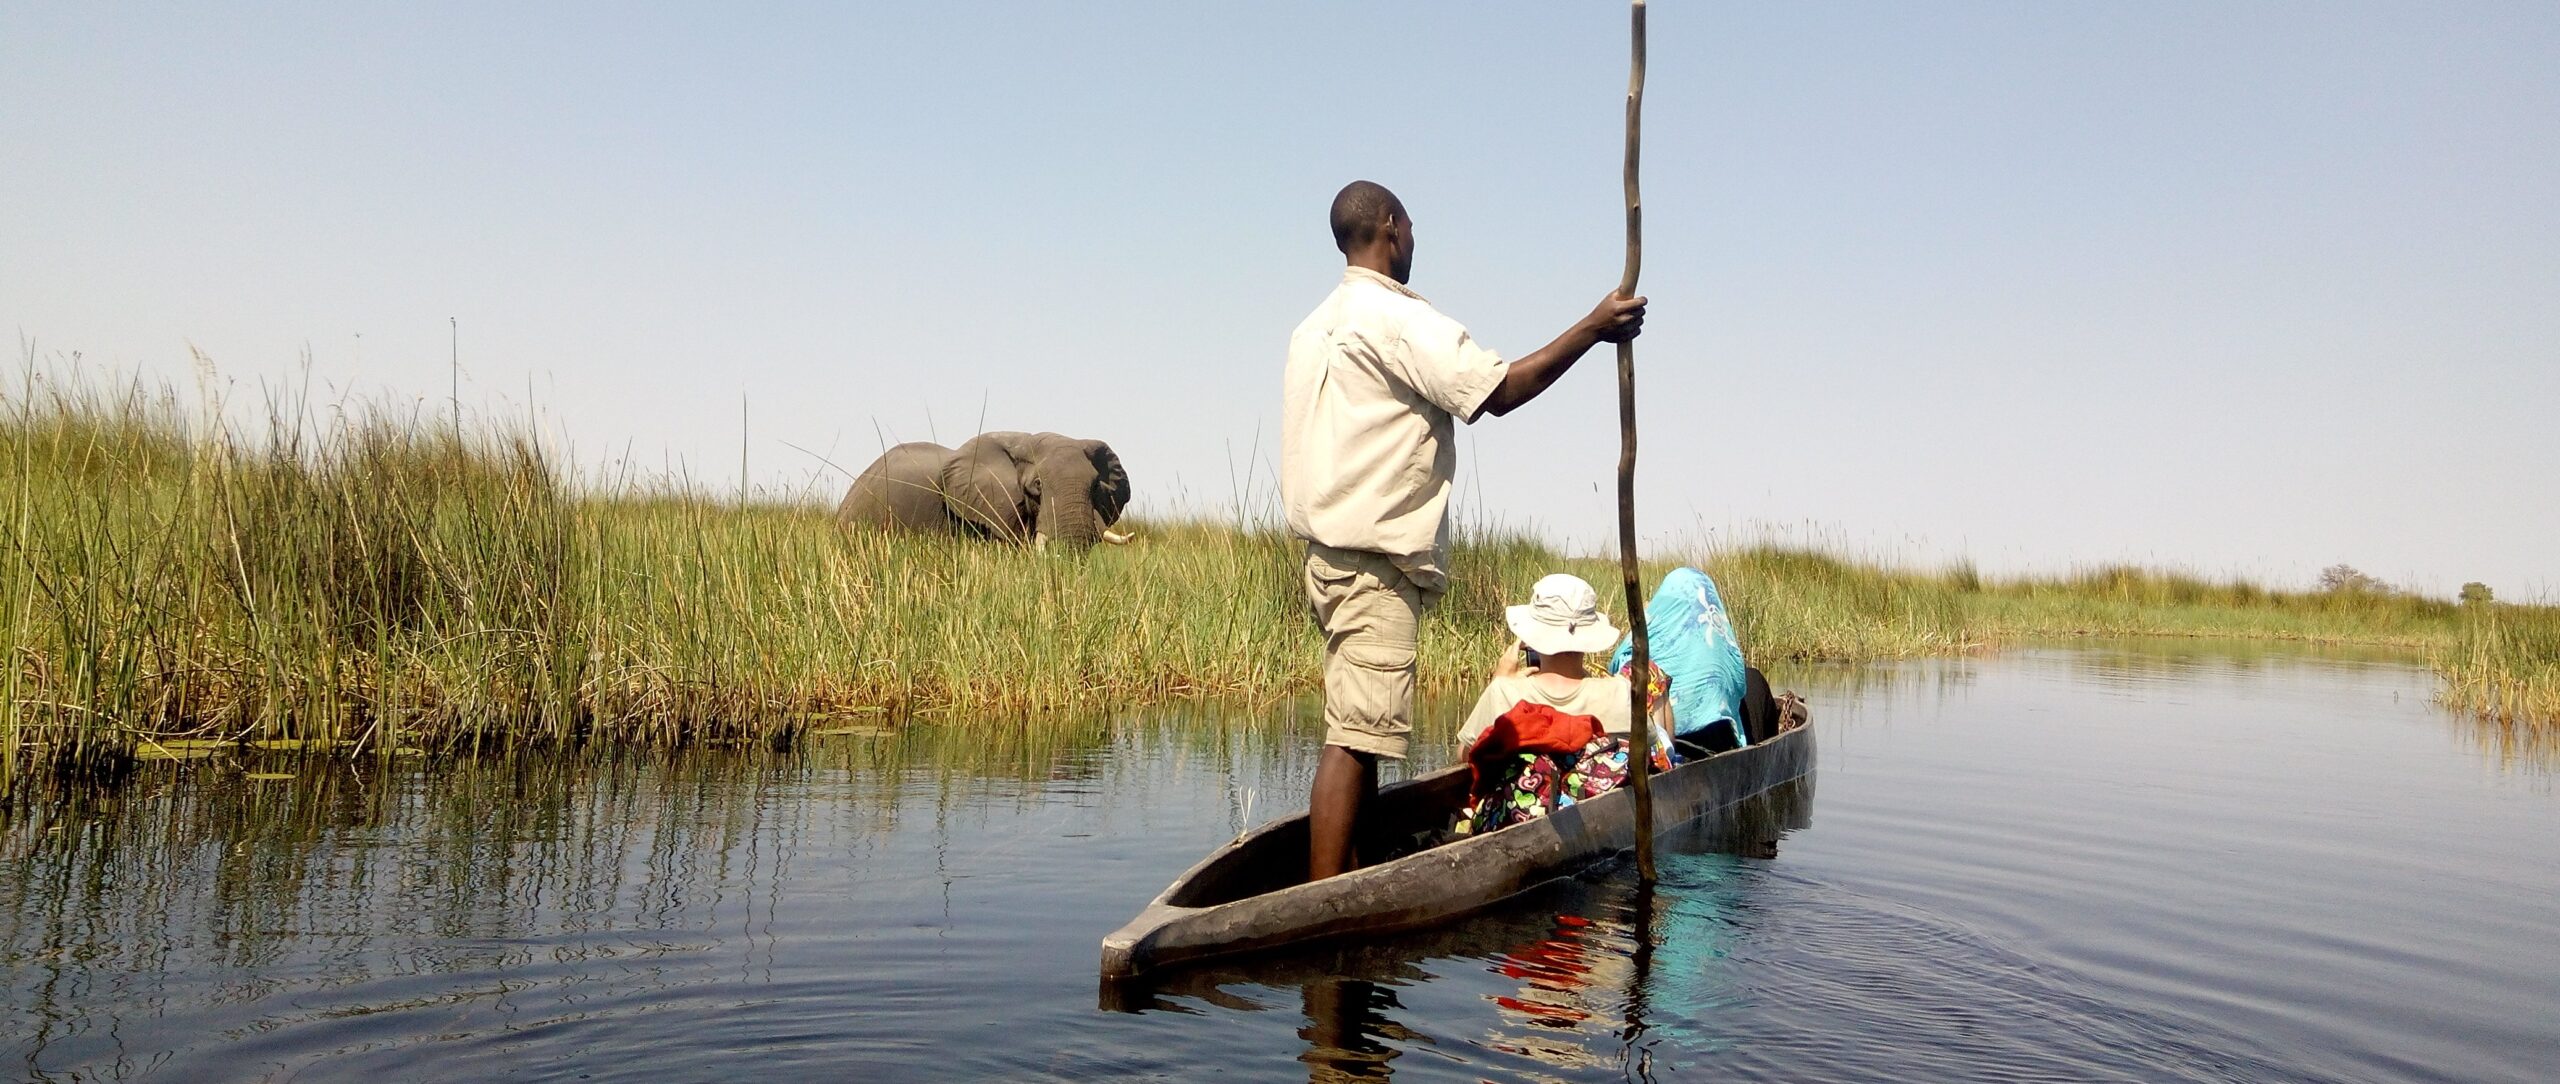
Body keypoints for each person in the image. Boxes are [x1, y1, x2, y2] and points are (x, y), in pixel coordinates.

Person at [1281, 179, 1646, 881]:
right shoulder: (1392, 319)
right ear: (1390, 227)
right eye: (1410, 227)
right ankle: (1324, 900)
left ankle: (1351, 870)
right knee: (1355, 740)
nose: (1414, 240)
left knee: (1358, 731)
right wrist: (1593, 329)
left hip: (1327, 559)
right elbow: (1498, 393)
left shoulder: (1314, 326)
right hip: (1372, 561)